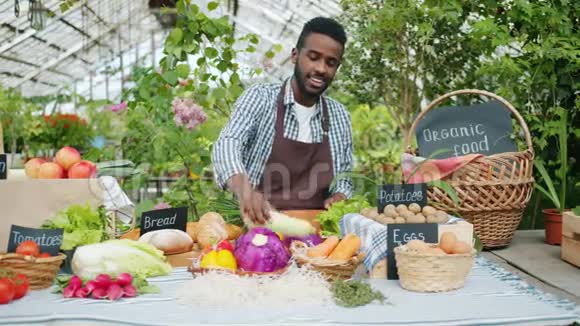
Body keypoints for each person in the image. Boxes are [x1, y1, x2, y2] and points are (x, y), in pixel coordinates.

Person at [212, 17, 353, 224]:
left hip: (314, 236)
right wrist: (245, 190)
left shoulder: (339, 115)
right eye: (313, 57)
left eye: (330, 63)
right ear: (295, 55)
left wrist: (341, 196)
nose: (322, 69)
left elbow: (344, 178)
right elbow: (227, 143)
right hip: (257, 228)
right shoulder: (260, 97)